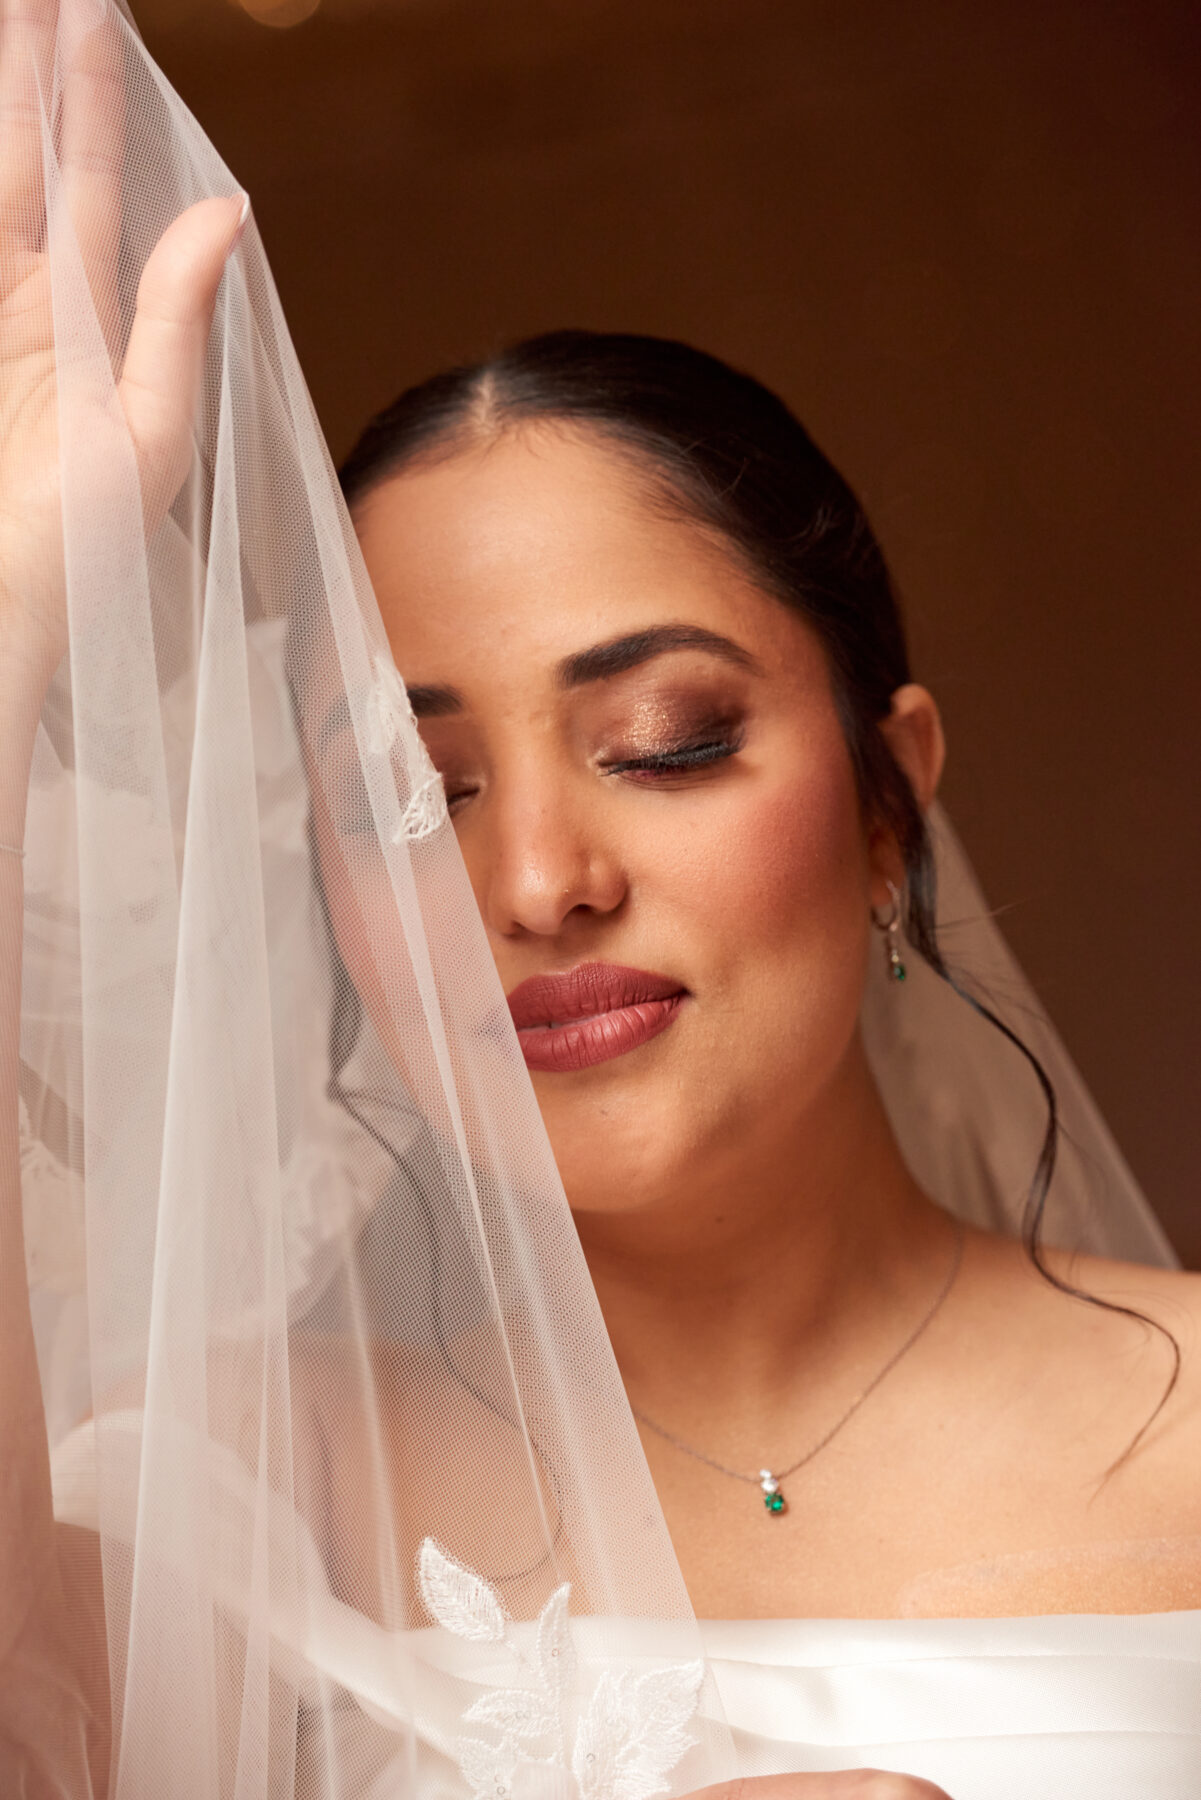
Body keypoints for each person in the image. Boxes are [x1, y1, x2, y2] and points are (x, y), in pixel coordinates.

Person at [2, 2, 1199, 1797]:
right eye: (408, 796)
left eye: (663, 742)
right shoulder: (221, 1494)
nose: (539, 883)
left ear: (890, 799)